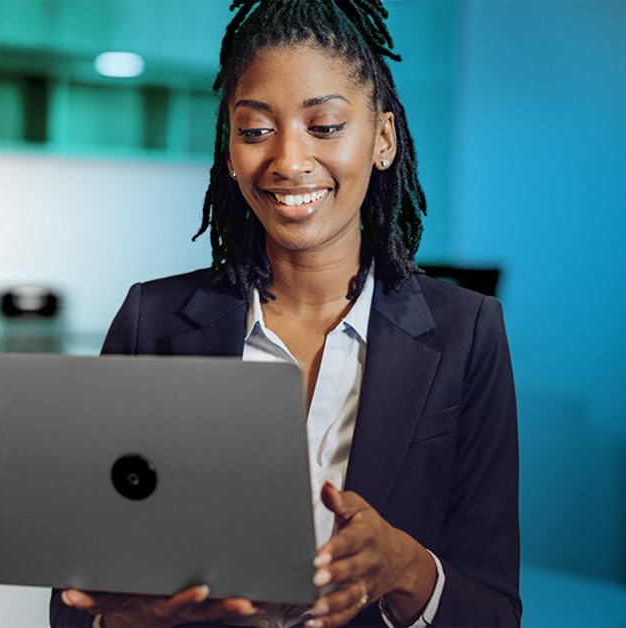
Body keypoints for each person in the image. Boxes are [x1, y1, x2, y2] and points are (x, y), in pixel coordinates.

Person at [50, 0, 520, 625]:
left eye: (324, 126)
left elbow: (493, 612)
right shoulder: (152, 320)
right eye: (254, 131)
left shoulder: (468, 333)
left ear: (383, 139)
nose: (288, 161)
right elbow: (74, 600)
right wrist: (124, 620)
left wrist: (406, 569)